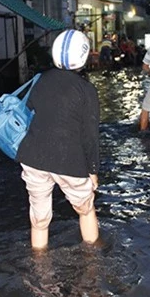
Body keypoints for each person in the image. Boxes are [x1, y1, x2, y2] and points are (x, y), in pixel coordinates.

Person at [16, 29, 100, 250]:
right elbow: (90, 135)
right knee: (86, 209)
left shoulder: (41, 80)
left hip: (33, 157)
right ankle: (91, 264)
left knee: (39, 219)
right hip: (68, 160)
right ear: (83, 56)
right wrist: (93, 170)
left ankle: (40, 268)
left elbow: (30, 109)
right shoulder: (86, 89)